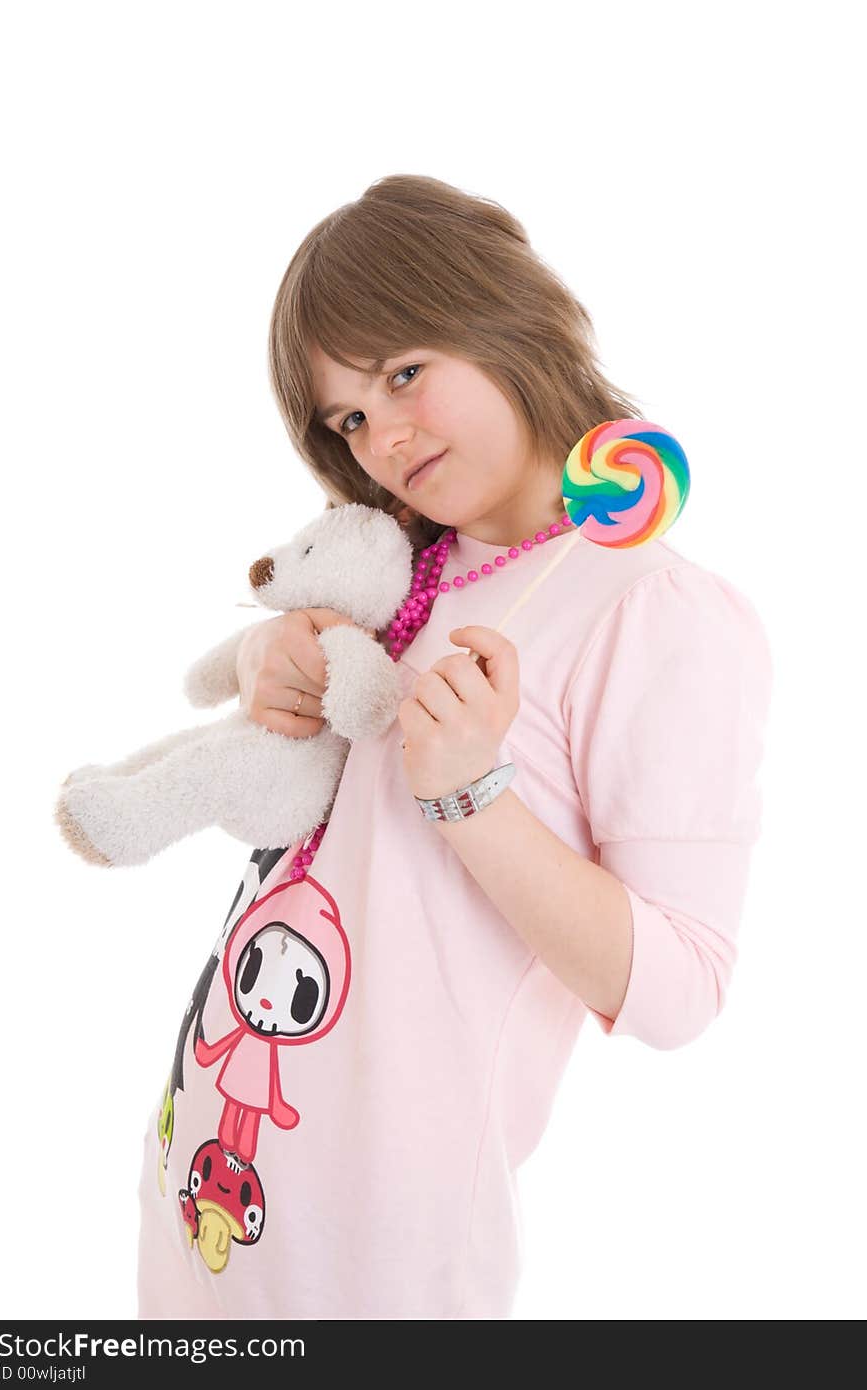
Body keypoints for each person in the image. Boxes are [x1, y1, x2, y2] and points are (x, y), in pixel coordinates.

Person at [135, 174, 773, 1320]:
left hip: (378, 1264)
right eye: (347, 418)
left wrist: (473, 795)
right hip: (207, 1186)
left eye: (401, 372)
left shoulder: (652, 611)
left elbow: (681, 987)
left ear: (502, 315)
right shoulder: (396, 567)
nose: (381, 435)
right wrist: (265, 662)